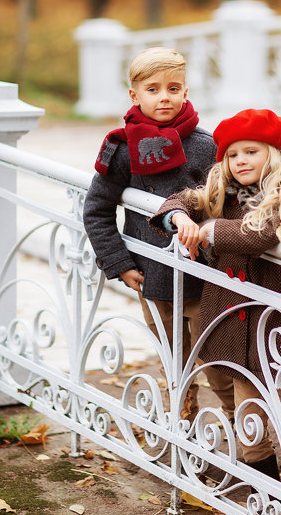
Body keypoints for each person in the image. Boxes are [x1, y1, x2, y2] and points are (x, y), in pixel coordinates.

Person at [150, 108, 281, 499]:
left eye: (251, 152)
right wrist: (179, 217)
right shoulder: (221, 194)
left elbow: (259, 234)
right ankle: (264, 487)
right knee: (250, 415)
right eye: (232, 154)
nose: (240, 161)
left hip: (280, 329)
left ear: (274, 156)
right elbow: (179, 199)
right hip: (233, 327)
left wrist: (211, 228)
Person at [83, 46, 235, 423]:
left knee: (216, 359)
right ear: (134, 95)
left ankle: (245, 433)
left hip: (204, 277)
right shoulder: (121, 150)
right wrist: (119, 263)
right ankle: (183, 425)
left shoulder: (205, 146)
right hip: (152, 277)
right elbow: (97, 210)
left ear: (186, 92)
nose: (164, 97)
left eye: (174, 88)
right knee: (174, 358)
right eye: (153, 89)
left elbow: (227, 204)